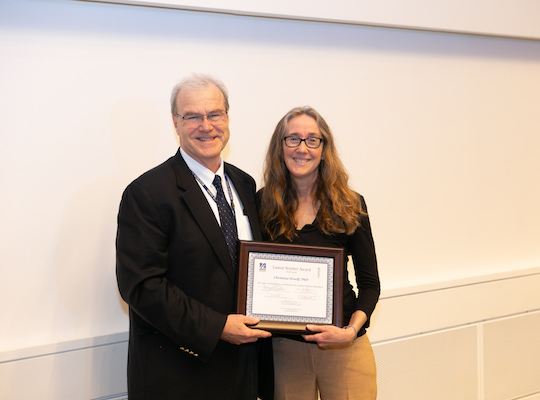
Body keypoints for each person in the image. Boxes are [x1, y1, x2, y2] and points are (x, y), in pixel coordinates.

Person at [116, 74, 272, 400]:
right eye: (193, 116)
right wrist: (217, 327)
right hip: (178, 375)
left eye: (214, 114)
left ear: (227, 118)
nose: (206, 126)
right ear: (175, 122)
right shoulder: (147, 193)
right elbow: (142, 287)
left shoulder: (244, 185)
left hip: (242, 373)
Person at [258, 106, 381, 399]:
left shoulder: (350, 205)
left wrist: (350, 332)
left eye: (313, 139)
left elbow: (370, 284)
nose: (303, 148)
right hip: (283, 353)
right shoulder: (262, 205)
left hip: (344, 347)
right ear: (281, 146)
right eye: (293, 139)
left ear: (325, 148)